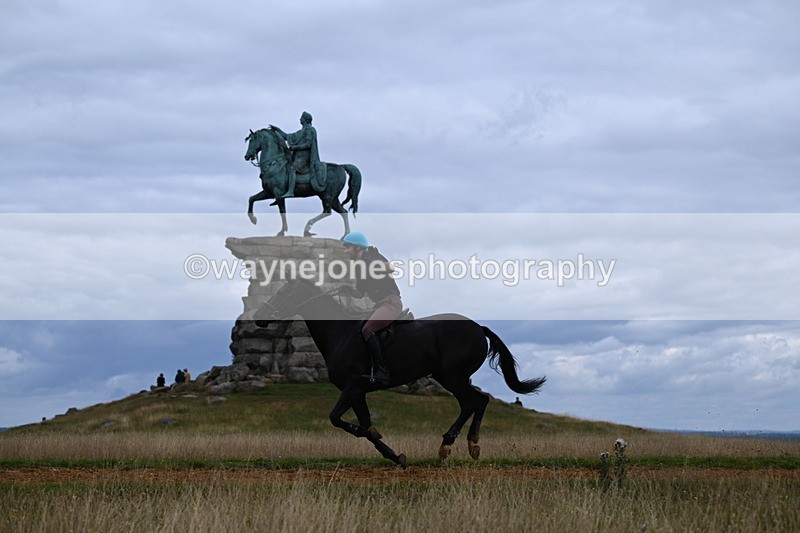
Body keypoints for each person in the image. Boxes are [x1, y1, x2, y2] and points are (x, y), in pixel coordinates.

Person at [339, 231, 402, 386]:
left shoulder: (371, 258)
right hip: (380, 304)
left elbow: (391, 268)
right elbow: (360, 294)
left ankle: (382, 372)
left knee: (368, 330)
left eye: (348, 248)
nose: (346, 251)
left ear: (357, 248)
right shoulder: (359, 267)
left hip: (391, 303)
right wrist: (348, 290)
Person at [268, 111, 326, 203]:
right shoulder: (300, 132)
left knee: (292, 168)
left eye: (301, 118)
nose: (300, 119)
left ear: (305, 120)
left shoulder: (310, 130)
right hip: (297, 156)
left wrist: (295, 147)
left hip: (305, 157)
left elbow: (308, 144)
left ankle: (290, 191)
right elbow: (287, 136)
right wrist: (277, 130)